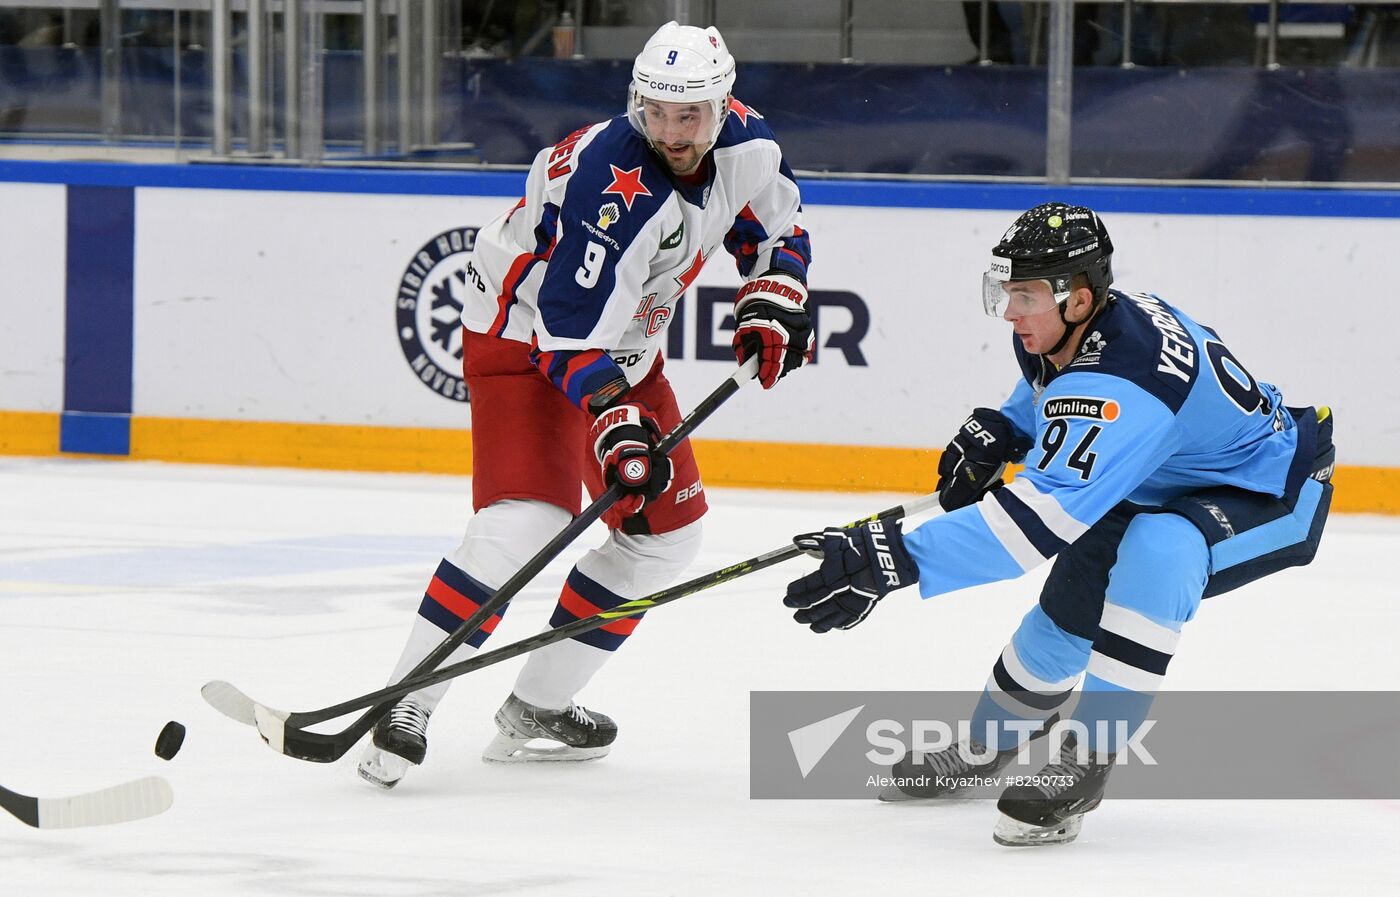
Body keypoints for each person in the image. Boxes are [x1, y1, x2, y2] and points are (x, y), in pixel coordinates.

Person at [782, 202, 1333, 846]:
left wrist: (897, 554)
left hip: (1268, 488)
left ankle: (1088, 757)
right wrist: (1011, 426)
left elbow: (1032, 527)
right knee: (1067, 614)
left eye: (1025, 294)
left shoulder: (1127, 379)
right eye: (1006, 291)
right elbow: (1070, 390)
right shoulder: (1087, 324)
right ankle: (989, 746)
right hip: (1155, 473)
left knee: (1159, 551)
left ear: (1076, 299)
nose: (1010, 312)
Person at [358, 20, 814, 789]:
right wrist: (613, 414)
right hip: (522, 339)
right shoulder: (613, 186)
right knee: (526, 519)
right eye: (655, 112)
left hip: (623, 342)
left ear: (723, 104)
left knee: (667, 533)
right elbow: (565, 337)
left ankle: (538, 704)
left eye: (688, 115)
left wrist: (775, 294)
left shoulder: (751, 145)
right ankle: (406, 703)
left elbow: (775, 226)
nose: (670, 132)